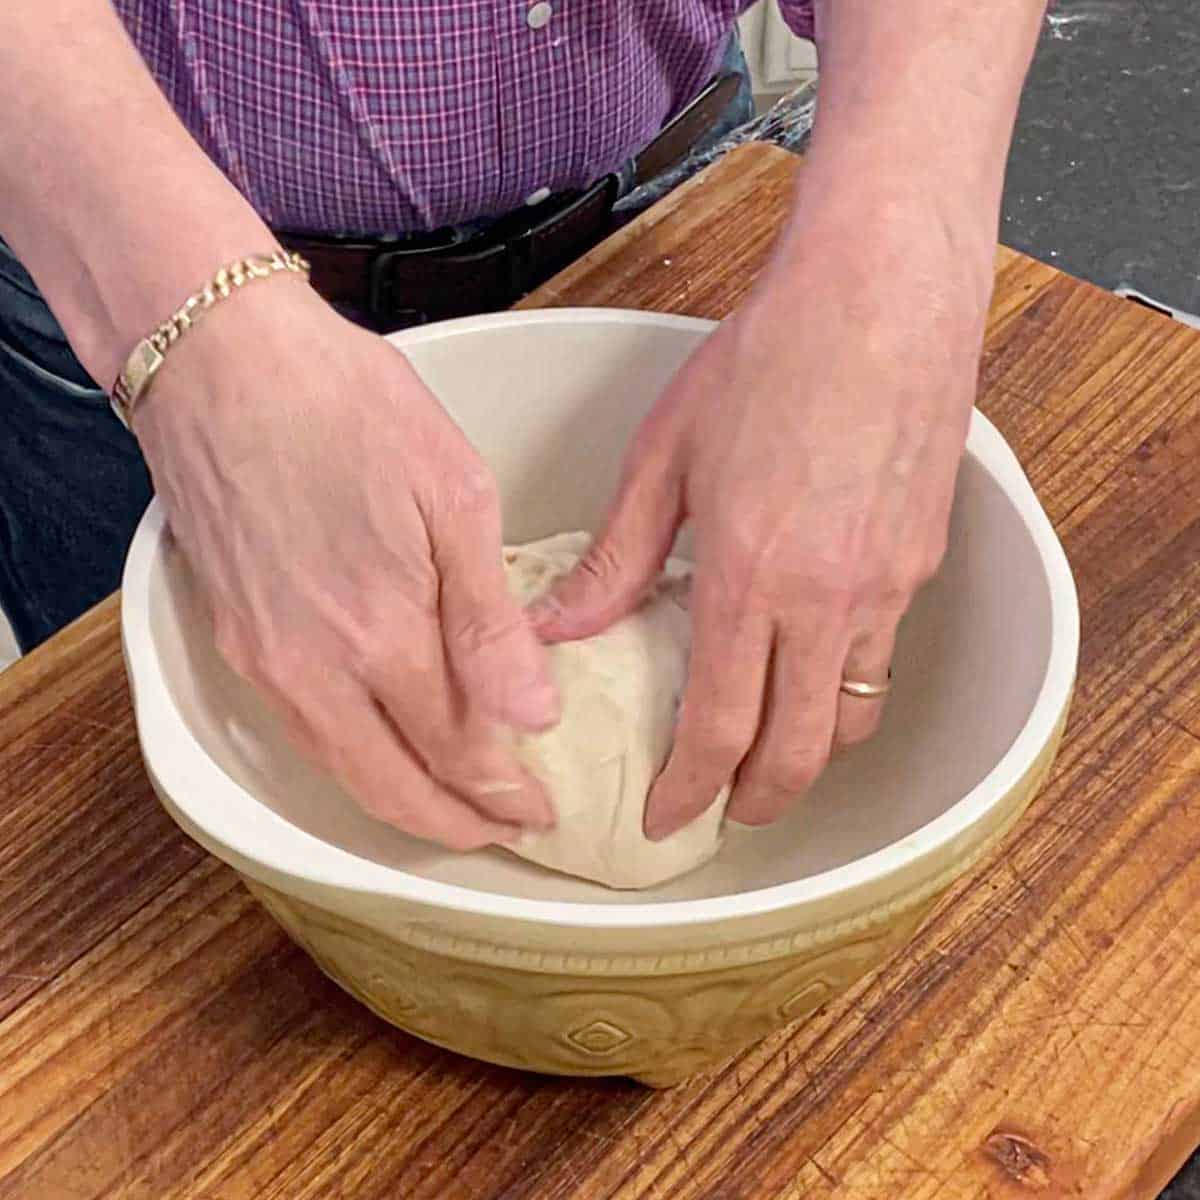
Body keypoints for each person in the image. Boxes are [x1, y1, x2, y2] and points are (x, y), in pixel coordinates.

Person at [1, 2, 1047, 851]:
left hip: (690, 192)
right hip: (124, 271)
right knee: (128, 857)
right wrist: (186, 318)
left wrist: (909, 244)